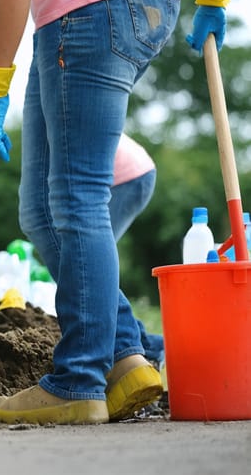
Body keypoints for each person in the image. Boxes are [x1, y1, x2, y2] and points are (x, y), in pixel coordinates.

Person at [0, 0, 230, 425]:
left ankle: (78, 381)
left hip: (90, 6)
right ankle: (126, 353)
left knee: (78, 198)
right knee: (41, 212)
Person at [110, 135, 165, 365]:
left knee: (85, 264)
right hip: (133, 172)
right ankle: (146, 344)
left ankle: (146, 345)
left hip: (126, 177)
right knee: (83, 264)